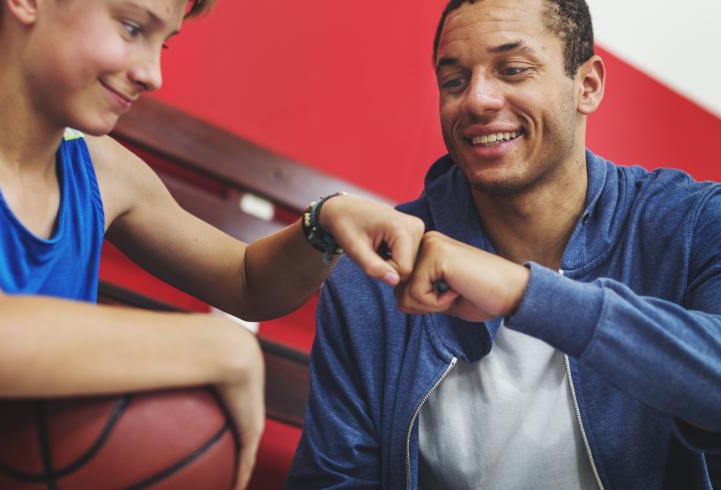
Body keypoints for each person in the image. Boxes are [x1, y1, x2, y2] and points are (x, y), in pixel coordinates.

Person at [0, 0, 426, 488]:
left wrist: (326, 220)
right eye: (131, 28)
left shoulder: (100, 167)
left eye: (163, 43)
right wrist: (221, 347)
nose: (152, 73)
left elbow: (245, 279)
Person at [286, 0, 721, 487]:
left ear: (588, 85)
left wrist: (522, 293)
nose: (477, 100)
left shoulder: (692, 221)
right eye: (454, 81)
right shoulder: (378, 271)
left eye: (513, 70)